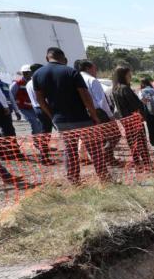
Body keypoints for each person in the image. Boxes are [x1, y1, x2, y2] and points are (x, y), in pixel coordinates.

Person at [33, 47, 107, 184]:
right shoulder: (70, 71)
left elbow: (40, 100)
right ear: (64, 58)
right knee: (94, 148)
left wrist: (52, 115)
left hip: (60, 121)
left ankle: (74, 180)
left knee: (70, 150)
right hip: (81, 118)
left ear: (47, 58)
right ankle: (104, 178)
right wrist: (94, 115)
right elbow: (85, 95)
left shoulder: (37, 74)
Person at [78, 59, 120, 166]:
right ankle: (107, 156)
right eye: (94, 68)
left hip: (84, 112)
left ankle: (106, 158)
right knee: (115, 135)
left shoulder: (76, 78)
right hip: (99, 111)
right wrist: (110, 116)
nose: (95, 71)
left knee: (97, 138)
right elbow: (101, 100)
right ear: (88, 68)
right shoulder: (92, 80)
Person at [111, 65, 152, 170]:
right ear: (124, 75)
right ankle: (147, 164)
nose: (131, 75)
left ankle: (138, 164)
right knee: (141, 142)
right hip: (134, 119)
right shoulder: (125, 89)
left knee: (132, 142)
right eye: (129, 74)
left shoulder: (115, 88)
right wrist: (141, 104)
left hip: (125, 119)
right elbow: (135, 105)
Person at [11, 65, 42, 134]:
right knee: (34, 122)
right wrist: (15, 110)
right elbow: (11, 96)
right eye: (25, 72)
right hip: (22, 108)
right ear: (23, 73)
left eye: (29, 72)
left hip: (32, 107)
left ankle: (39, 139)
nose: (27, 74)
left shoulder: (33, 82)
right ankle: (37, 141)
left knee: (40, 123)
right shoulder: (16, 83)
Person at [26, 64, 52, 134]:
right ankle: (42, 144)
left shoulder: (29, 83)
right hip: (43, 107)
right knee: (46, 129)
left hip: (37, 108)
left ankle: (42, 144)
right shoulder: (37, 81)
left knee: (46, 128)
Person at [0, 66, 16, 137]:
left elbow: (10, 97)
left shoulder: (3, 84)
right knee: (8, 130)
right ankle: (10, 147)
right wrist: (5, 106)